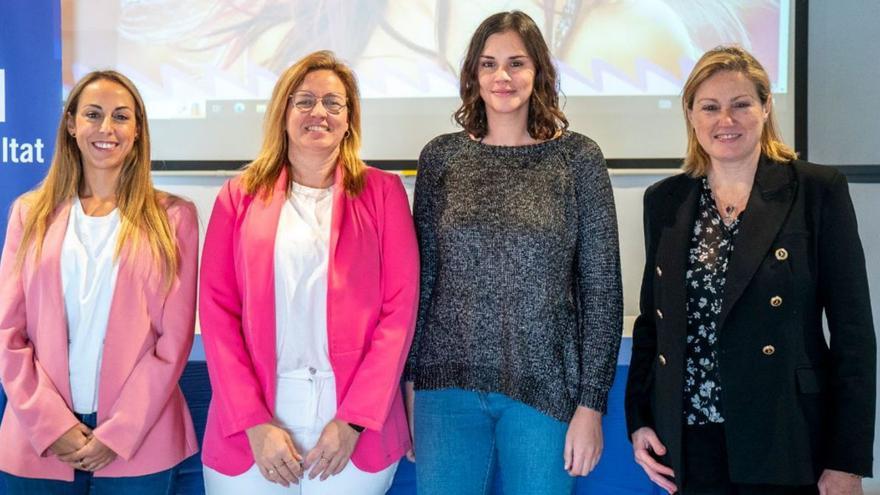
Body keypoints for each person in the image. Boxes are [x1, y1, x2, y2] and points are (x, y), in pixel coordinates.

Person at [625, 45, 876, 495]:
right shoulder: (665, 200)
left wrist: (847, 460)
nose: (726, 120)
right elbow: (653, 324)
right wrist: (640, 419)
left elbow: (853, 334)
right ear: (691, 114)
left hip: (786, 436)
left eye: (741, 104)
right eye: (710, 107)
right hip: (689, 438)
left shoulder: (817, 191)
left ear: (765, 107)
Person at [404, 10, 623, 495]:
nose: (502, 76)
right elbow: (423, 280)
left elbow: (602, 290)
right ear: (473, 75)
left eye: (516, 63)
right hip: (445, 390)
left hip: (543, 392)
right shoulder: (441, 158)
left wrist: (592, 406)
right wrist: (411, 383)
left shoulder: (578, 159)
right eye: (488, 64)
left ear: (539, 72)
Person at [199, 50, 419, 495]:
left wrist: (353, 421)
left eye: (333, 103)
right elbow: (217, 315)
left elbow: (399, 315)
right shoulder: (236, 197)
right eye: (304, 101)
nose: (318, 112)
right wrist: (254, 423)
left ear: (349, 119)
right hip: (255, 416)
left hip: (353, 419)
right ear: (283, 113)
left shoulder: (384, 193)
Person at [0, 70, 199, 493]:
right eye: (93, 114)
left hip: (141, 441)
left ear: (137, 131)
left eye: (121, 117)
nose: (106, 128)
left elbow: (173, 341)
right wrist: (52, 425)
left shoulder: (174, 218)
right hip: (38, 441)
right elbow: (8, 333)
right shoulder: (28, 212)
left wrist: (120, 432)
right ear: (71, 125)